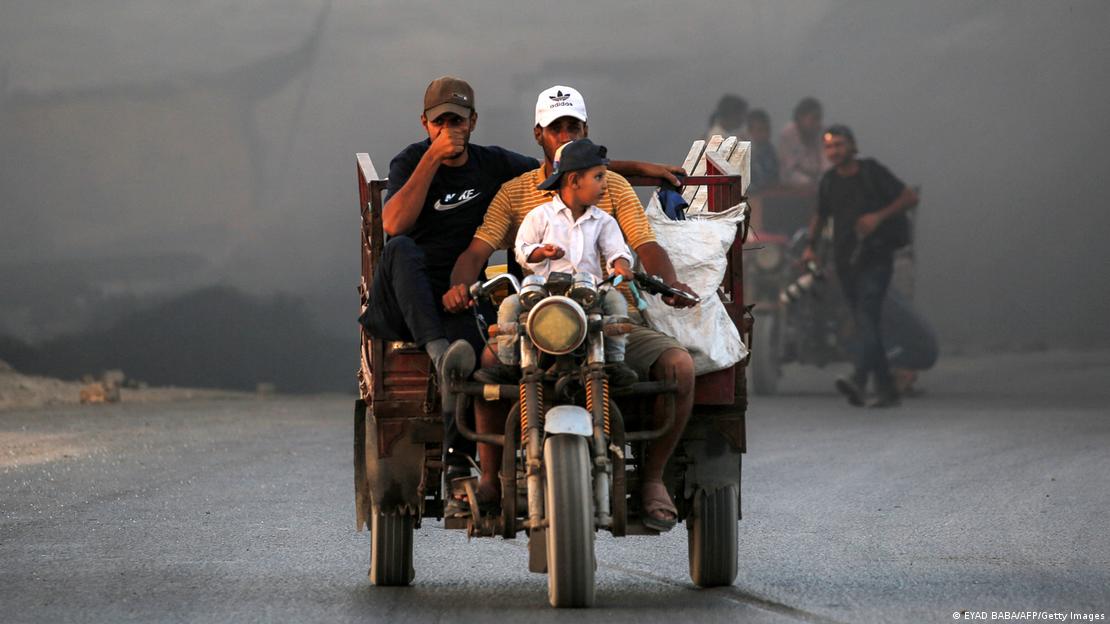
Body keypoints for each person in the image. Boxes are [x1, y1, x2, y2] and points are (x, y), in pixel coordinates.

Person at [444, 85, 696, 532]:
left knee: (680, 367)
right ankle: (489, 480)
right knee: (486, 367)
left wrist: (668, 282)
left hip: (606, 320)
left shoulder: (610, 188)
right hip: (536, 320)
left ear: (585, 131)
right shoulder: (518, 194)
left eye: (572, 127)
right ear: (538, 134)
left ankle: (654, 479)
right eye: (555, 128)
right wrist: (460, 282)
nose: (563, 135)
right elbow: (477, 249)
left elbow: (644, 245)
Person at [358, 76, 540, 483]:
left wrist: (638, 170)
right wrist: (432, 159)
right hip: (408, 298)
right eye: (440, 122)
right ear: (425, 123)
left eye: (457, 121)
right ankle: (440, 354)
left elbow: (556, 172)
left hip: (460, 291)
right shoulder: (409, 161)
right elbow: (394, 223)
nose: (449, 130)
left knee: (466, 358)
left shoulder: (492, 163)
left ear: (473, 122)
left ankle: (459, 466)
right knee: (401, 248)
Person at [496, 138, 639, 385]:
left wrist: (621, 264)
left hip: (589, 291)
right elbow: (522, 249)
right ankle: (509, 365)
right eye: (599, 177)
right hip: (544, 292)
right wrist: (541, 253)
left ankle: (614, 362)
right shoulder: (540, 216)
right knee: (509, 307)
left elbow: (617, 250)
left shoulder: (603, 221)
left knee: (616, 301)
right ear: (574, 181)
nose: (605, 184)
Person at [801, 124, 919, 407]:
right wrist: (810, 247)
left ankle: (859, 378)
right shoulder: (829, 181)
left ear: (853, 146)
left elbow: (910, 197)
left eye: (840, 145)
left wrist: (878, 217)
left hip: (876, 257)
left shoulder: (871, 172)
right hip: (846, 261)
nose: (834, 151)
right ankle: (888, 390)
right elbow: (820, 215)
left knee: (866, 315)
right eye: (829, 146)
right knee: (867, 323)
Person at [777, 96, 827, 187]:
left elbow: (826, 163)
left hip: (817, 180)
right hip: (792, 185)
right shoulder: (788, 134)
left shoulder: (821, 132)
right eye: (814, 119)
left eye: (819, 119)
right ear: (800, 118)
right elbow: (790, 168)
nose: (817, 123)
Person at [746, 108, 780, 195]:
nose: (765, 134)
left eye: (767, 129)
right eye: (760, 130)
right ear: (750, 131)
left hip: (769, 194)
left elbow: (775, 175)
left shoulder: (770, 151)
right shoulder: (744, 152)